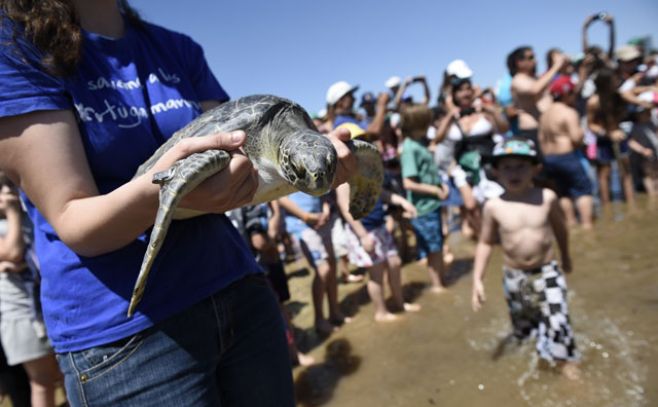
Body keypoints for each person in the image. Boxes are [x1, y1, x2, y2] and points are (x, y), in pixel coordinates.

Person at [0, 1, 356, 405]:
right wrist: (164, 189)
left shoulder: (175, 48)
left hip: (239, 290)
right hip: (127, 331)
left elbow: (241, 168)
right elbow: (72, 218)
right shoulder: (15, 47)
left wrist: (319, 170)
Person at [471, 137, 580, 380]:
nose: (514, 172)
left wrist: (567, 256)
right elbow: (486, 242)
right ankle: (536, 361)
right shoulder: (493, 206)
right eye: (507, 167)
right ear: (496, 172)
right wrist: (478, 279)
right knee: (524, 329)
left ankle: (566, 363)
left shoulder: (546, 197)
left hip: (548, 272)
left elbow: (561, 230)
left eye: (521, 166)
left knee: (558, 320)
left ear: (535, 169)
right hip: (514, 276)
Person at [334, 123, 421, 321]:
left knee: (395, 263)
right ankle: (381, 312)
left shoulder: (367, 170)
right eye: (355, 144)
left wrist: (401, 200)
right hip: (363, 230)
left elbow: (379, 193)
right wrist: (363, 235)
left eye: (364, 142)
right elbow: (345, 208)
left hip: (379, 225)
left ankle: (399, 303)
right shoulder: (343, 176)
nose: (361, 147)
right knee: (376, 273)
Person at [0, 180, 62, 407]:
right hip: (20, 316)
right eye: (0, 188)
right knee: (42, 382)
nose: (7, 193)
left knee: (64, 376)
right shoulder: (13, 220)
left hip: (47, 308)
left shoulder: (31, 218)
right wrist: (13, 212)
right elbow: (14, 252)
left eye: (10, 186)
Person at [278, 192, 350, 336]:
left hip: (321, 217)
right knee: (322, 269)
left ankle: (334, 312)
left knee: (332, 265)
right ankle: (319, 320)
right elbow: (279, 196)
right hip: (300, 223)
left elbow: (321, 187)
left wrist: (325, 207)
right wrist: (305, 216)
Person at [399, 105, 450, 292]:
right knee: (434, 249)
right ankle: (438, 286)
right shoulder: (410, 148)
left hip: (431, 203)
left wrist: (440, 186)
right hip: (424, 207)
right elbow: (408, 183)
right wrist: (434, 191)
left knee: (437, 245)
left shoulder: (419, 142)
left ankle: (440, 280)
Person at [539, 75, 594, 229]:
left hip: (549, 158)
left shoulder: (544, 115)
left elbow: (541, 139)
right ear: (566, 94)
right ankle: (587, 225)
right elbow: (576, 138)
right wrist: (583, 133)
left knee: (564, 192)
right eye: (572, 93)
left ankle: (570, 222)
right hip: (567, 156)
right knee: (583, 190)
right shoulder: (568, 112)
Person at [586, 67, 635, 206]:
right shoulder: (594, 101)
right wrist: (607, 133)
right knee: (604, 175)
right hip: (604, 139)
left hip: (620, 136)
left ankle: (632, 206)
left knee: (626, 172)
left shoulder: (618, 96)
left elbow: (633, 93)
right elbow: (590, 124)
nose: (617, 80)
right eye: (614, 79)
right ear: (606, 82)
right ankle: (607, 208)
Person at [507, 46, 567, 149]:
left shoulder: (535, 78)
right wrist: (556, 66)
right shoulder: (517, 80)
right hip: (532, 131)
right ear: (519, 62)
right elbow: (535, 90)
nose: (535, 61)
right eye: (530, 58)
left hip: (545, 129)